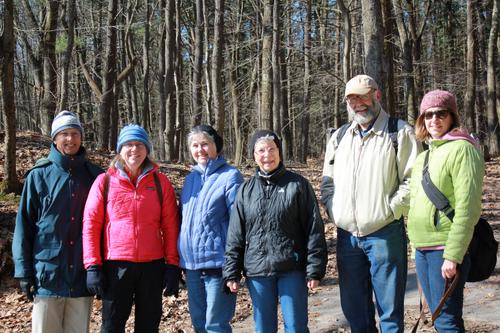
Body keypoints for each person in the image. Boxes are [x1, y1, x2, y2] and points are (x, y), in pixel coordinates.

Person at [321, 74, 421, 332]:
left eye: (363, 97)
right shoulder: (340, 136)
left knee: (389, 313)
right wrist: (334, 209)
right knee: (355, 311)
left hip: (385, 233)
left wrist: (391, 210)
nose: (358, 104)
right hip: (347, 237)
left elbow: (413, 179)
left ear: (376, 95)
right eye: (352, 99)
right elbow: (327, 180)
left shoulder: (400, 132)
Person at [223, 130, 328, 333]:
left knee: (296, 327)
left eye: (272, 149)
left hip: (292, 268)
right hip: (257, 271)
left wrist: (314, 267)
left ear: (279, 152)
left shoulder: (298, 185)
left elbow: (314, 228)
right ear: (254, 155)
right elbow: (235, 234)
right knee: (263, 328)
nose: (267, 155)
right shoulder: (245, 191)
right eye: (261, 150)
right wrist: (231, 271)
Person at [82, 124, 180, 333]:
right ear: (120, 149)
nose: (134, 150)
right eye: (129, 144)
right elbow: (91, 225)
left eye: (139, 145)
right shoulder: (105, 181)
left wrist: (172, 264)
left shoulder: (161, 182)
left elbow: (171, 226)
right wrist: (93, 265)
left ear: (147, 149)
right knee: (112, 326)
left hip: (152, 266)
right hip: (116, 265)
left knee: (148, 326)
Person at [12, 111, 103, 333]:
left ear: (81, 137)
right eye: (64, 134)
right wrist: (23, 272)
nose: (70, 139)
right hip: (46, 276)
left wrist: (101, 270)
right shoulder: (38, 176)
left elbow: (104, 228)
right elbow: (24, 226)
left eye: (75, 133)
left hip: (82, 277)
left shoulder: (95, 177)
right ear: (54, 138)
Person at [407, 90, 484, 332]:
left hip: (444, 249)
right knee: (440, 318)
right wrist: (414, 247)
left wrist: (453, 254)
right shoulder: (424, 156)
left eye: (441, 113)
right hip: (423, 249)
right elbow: (415, 204)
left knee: (446, 320)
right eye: (428, 115)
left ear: (452, 116)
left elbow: (468, 207)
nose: (434, 119)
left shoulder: (463, 150)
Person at [178, 125, 244, 332]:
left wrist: (234, 262)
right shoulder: (189, 180)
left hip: (219, 264)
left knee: (216, 324)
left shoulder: (230, 176)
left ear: (216, 146)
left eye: (205, 144)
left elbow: (238, 222)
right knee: (199, 324)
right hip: (191, 265)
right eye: (195, 146)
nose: (200, 150)